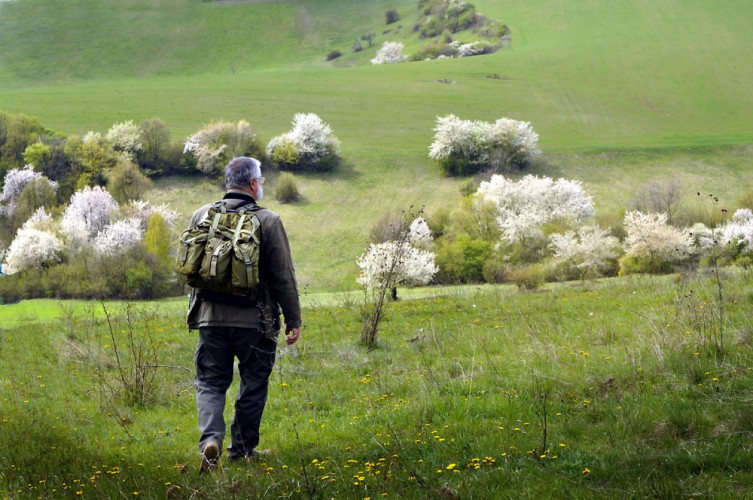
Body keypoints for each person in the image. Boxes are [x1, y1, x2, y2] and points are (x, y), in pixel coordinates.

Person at [185, 156, 301, 473]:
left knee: (210, 382)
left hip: (210, 318)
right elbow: (283, 277)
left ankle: (211, 440)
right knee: (252, 385)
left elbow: (191, 269)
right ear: (252, 184)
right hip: (256, 322)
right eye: (260, 181)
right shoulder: (269, 221)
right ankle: (243, 451)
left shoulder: (201, 215)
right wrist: (294, 319)